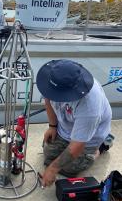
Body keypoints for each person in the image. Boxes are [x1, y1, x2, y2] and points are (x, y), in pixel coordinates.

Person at [36, 59, 112, 187]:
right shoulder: (52, 80)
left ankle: (101, 146)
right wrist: (52, 126)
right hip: (66, 128)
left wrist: (53, 170)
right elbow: (48, 99)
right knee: (48, 155)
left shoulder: (89, 105)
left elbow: (77, 145)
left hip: (89, 138)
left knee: (70, 169)